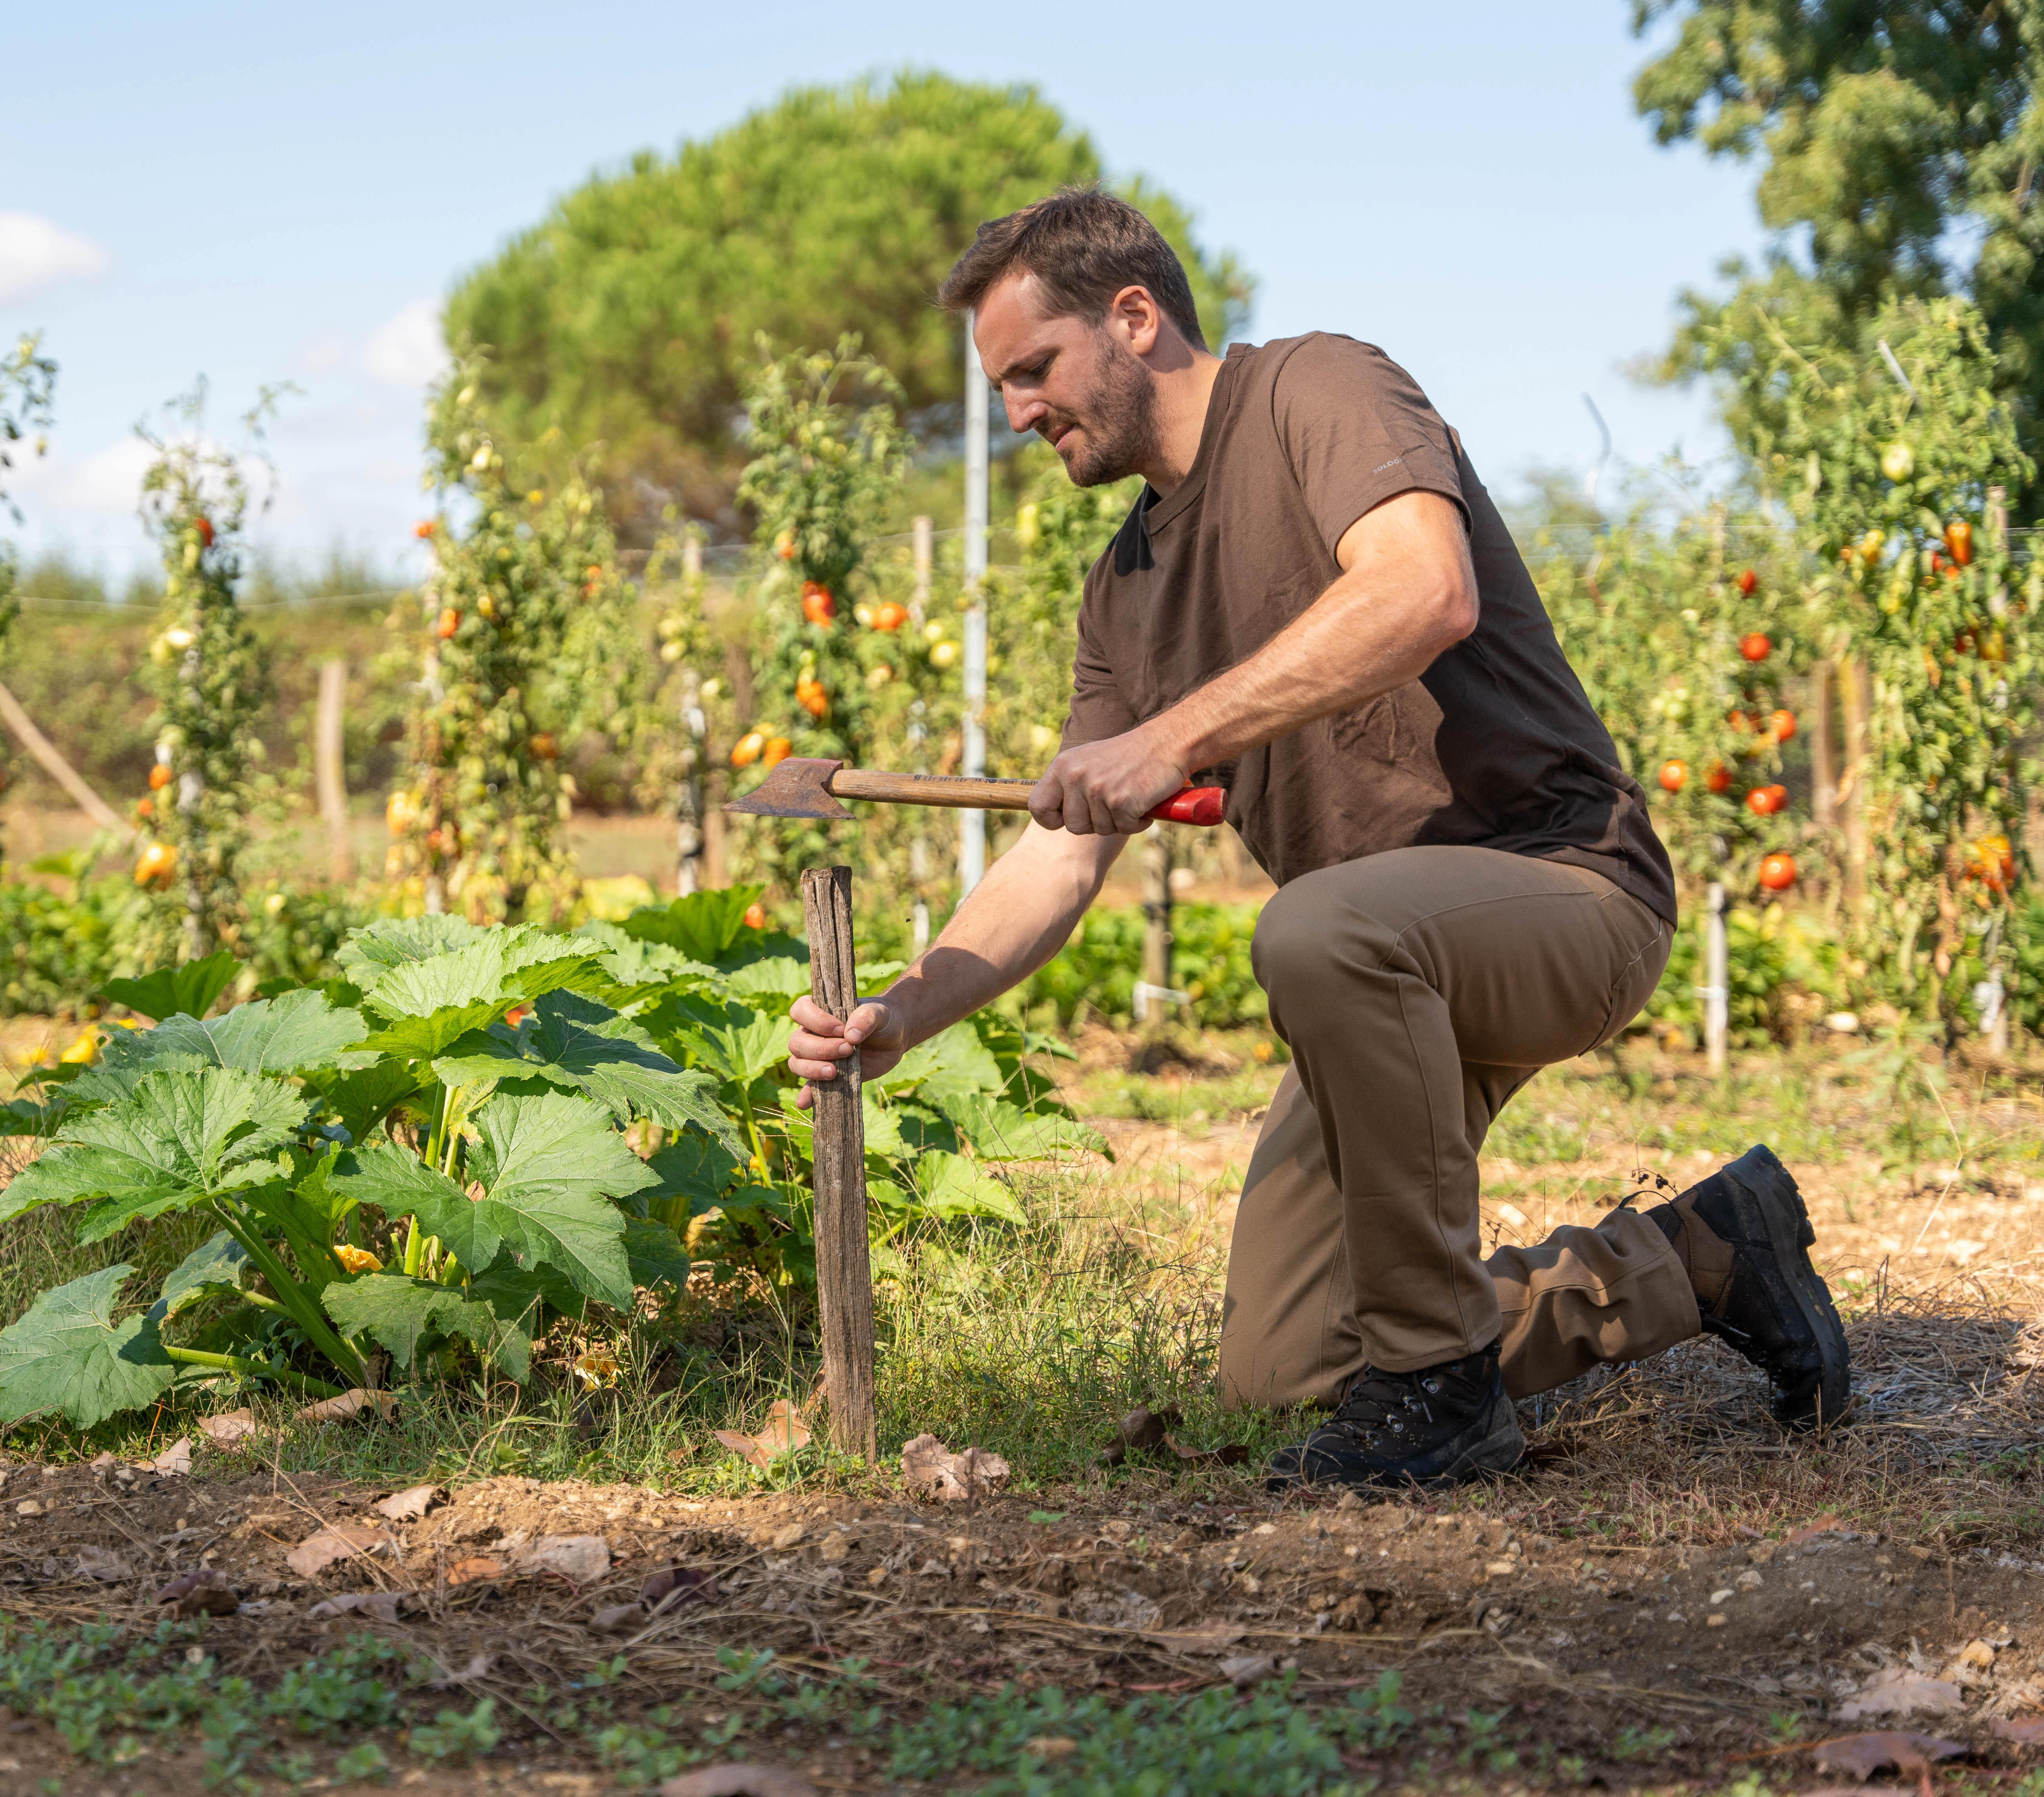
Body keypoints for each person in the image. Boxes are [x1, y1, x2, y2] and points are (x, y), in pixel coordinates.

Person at [784, 187, 1849, 1489]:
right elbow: (1059, 856)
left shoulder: (1317, 389)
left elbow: (1423, 590)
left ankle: (1440, 1391)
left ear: (1134, 318)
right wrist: (903, 1011)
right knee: (1286, 1368)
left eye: (1033, 370)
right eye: (1001, 386)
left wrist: (1176, 737)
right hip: (1378, 969)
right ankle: (1700, 1257)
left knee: (1317, 929)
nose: (1015, 414)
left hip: (1567, 891)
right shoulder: (1123, 592)